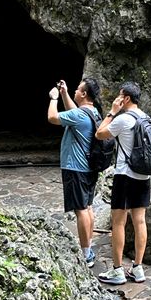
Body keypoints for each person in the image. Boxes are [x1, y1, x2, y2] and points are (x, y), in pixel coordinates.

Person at [95, 81, 150, 286]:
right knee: (140, 222)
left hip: (125, 176)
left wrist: (111, 112)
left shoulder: (123, 119)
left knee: (118, 222)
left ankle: (117, 270)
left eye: (120, 96)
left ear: (126, 98)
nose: (117, 99)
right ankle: (138, 268)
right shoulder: (146, 118)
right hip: (143, 176)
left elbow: (100, 134)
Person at [48, 77, 103, 268]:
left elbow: (52, 118)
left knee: (81, 211)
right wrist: (64, 92)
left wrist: (54, 98)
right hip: (89, 167)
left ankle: (85, 253)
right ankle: (89, 248)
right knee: (88, 208)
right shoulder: (93, 112)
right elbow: (74, 111)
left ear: (84, 94)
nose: (75, 92)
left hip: (75, 168)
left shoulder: (79, 116)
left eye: (77, 90)